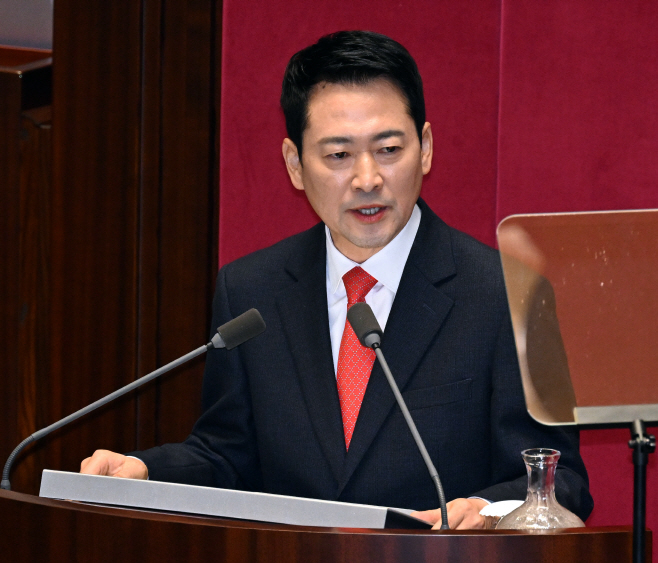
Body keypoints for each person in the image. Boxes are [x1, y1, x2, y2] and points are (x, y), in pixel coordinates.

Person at [80, 31, 593, 529]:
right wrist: (145, 473)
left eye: (388, 149)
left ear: (425, 147)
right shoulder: (252, 291)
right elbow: (227, 455)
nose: (368, 179)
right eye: (339, 155)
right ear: (294, 164)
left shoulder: (507, 293)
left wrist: (486, 511)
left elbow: (562, 480)